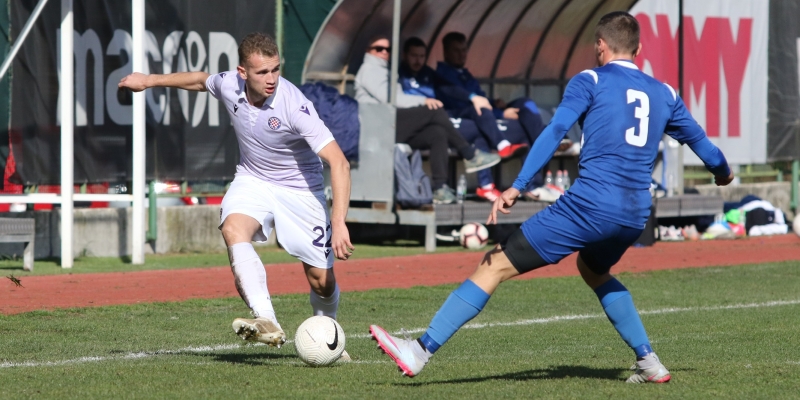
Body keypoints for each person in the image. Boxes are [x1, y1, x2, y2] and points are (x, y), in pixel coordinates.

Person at [369, 11, 734, 382]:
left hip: (590, 206)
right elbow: (706, 149)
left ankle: (418, 351)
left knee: (494, 264)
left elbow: (555, 129)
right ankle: (648, 361)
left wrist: (518, 185)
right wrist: (723, 173)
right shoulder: (666, 93)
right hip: (635, 214)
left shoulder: (590, 79)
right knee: (594, 270)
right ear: (638, 49)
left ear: (599, 47)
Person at [119, 33, 355, 357]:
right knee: (233, 229)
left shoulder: (295, 106)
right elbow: (201, 81)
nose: (272, 79)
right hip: (253, 179)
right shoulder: (230, 84)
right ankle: (267, 320)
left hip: (301, 190)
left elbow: (339, 163)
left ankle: (329, 335)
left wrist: (339, 222)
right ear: (242, 72)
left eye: (276, 69)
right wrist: (148, 80)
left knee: (320, 281)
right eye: (262, 72)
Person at [355, 35, 500, 204]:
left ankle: (440, 188)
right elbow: (392, 99)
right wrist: (423, 101)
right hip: (379, 128)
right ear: (368, 51)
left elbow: (446, 88)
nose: (384, 53)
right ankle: (468, 153)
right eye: (379, 49)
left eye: (388, 49)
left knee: (436, 133)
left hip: (390, 123)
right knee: (435, 110)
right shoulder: (370, 70)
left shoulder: (386, 70)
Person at [435, 32, 566, 202]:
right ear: (445, 52)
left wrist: (496, 105)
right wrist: (499, 113)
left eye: (464, 50)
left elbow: (482, 101)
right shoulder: (441, 76)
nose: (461, 54)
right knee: (508, 132)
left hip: (485, 118)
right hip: (462, 122)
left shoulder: (466, 75)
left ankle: (547, 143)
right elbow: (467, 104)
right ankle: (524, 184)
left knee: (524, 104)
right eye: (456, 50)